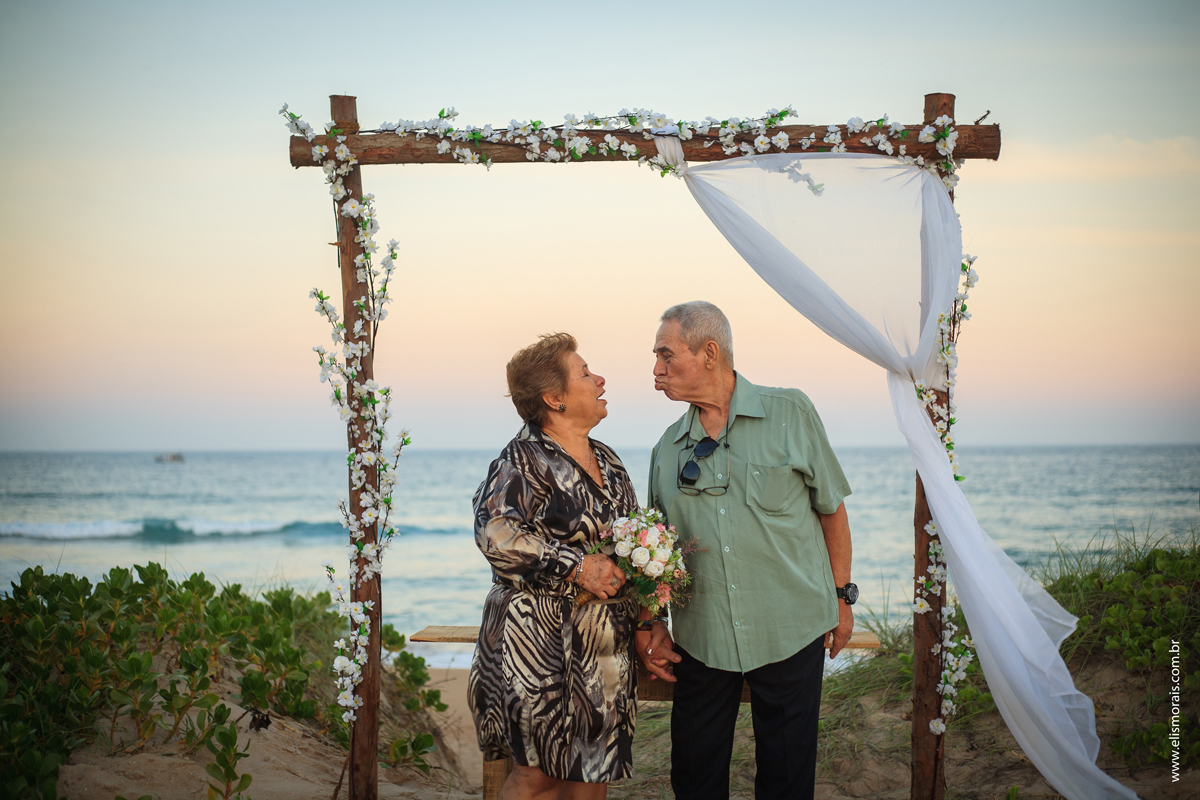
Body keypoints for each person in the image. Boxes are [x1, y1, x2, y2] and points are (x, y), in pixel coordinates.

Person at [635, 301, 856, 800]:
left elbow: (832, 512)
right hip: (701, 639)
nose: (656, 369)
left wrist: (842, 597)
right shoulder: (666, 449)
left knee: (785, 780)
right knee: (694, 779)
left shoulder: (790, 412)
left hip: (792, 629)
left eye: (666, 355)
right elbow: (655, 552)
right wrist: (651, 622)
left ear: (709, 353)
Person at [468, 332, 641, 800]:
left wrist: (649, 621)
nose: (599, 378)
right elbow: (494, 534)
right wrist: (577, 566)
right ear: (555, 398)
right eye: (585, 373)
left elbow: (637, 550)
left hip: (604, 649)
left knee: (591, 773)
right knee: (539, 777)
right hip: (538, 646)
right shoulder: (522, 461)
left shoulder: (610, 461)